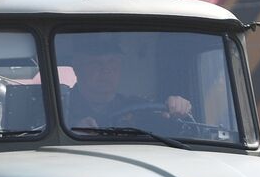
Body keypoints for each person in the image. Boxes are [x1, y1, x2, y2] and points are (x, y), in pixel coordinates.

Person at [62, 34, 192, 129]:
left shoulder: (140, 109)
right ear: (77, 67)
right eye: (95, 63)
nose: (106, 70)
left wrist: (178, 109)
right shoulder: (59, 108)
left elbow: (169, 139)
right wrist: (71, 131)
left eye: (112, 62)